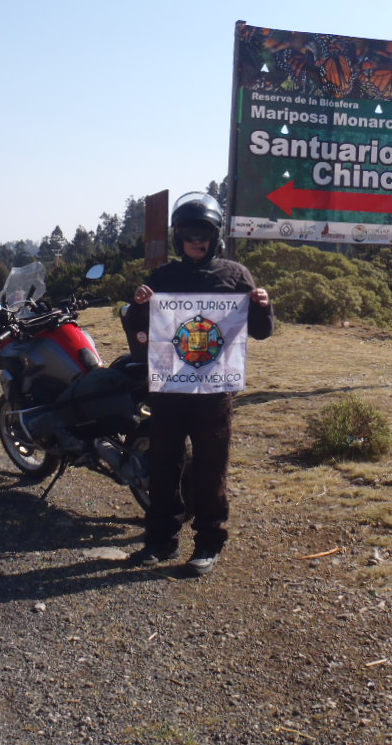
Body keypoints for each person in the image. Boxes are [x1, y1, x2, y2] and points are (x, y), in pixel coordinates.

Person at [124, 191, 274, 576]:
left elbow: (260, 332)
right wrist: (140, 305)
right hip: (170, 387)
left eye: (203, 234)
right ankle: (160, 540)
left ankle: (209, 542)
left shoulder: (235, 275)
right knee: (164, 465)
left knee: (211, 467)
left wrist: (261, 305)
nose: (196, 242)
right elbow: (141, 329)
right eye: (189, 235)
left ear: (215, 236)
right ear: (179, 238)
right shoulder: (164, 277)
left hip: (213, 391)